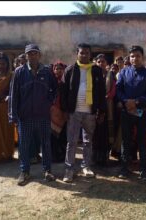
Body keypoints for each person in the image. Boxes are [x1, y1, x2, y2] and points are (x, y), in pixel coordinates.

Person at [9, 44, 58, 185]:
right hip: (25, 117)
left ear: (39, 55)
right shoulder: (19, 72)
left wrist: (49, 102)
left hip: (43, 115)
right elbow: (13, 95)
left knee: (46, 144)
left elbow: (55, 90)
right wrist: (13, 115)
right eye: (29, 54)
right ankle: (25, 172)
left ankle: (47, 171)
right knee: (24, 145)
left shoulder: (47, 72)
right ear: (26, 56)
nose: (32, 56)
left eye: (35, 53)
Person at [61, 43, 106, 183]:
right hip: (74, 112)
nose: (84, 55)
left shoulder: (96, 71)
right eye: (82, 52)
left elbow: (102, 92)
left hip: (90, 113)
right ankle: (69, 170)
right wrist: (65, 110)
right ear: (77, 54)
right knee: (72, 142)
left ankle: (86, 167)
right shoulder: (70, 70)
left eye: (87, 53)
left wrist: (102, 111)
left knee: (88, 142)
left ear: (90, 54)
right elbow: (63, 91)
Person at [116, 45, 146, 180]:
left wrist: (137, 101)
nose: (135, 58)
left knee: (141, 141)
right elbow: (118, 90)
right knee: (126, 141)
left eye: (138, 56)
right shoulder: (123, 72)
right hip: (126, 111)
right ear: (129, 57)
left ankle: (143, 169)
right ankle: (124, 168)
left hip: (141, 112)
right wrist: (126, 101)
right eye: (132, 56)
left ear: (142, 57)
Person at [92, 54, 111, 166]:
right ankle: (94, 158)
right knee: (95, 134)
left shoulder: (110, 75)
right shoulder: (92, 75)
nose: (101, 63)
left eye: (103, 61)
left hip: (107, 107)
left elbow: (114, 89)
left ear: (106, 63)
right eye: (98, 61)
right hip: (94, 108)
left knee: (105, 133)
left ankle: (104, 157)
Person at [50, 61, 67, 163]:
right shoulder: (51, 82)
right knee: (52, 135)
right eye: (56, 68)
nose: (58, 70)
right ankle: (54, 155)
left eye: (60, 69)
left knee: (63, 135)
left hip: (63, 112)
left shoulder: (66, 82)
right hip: (52, 112)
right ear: (54, 70)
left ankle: (62, 156)